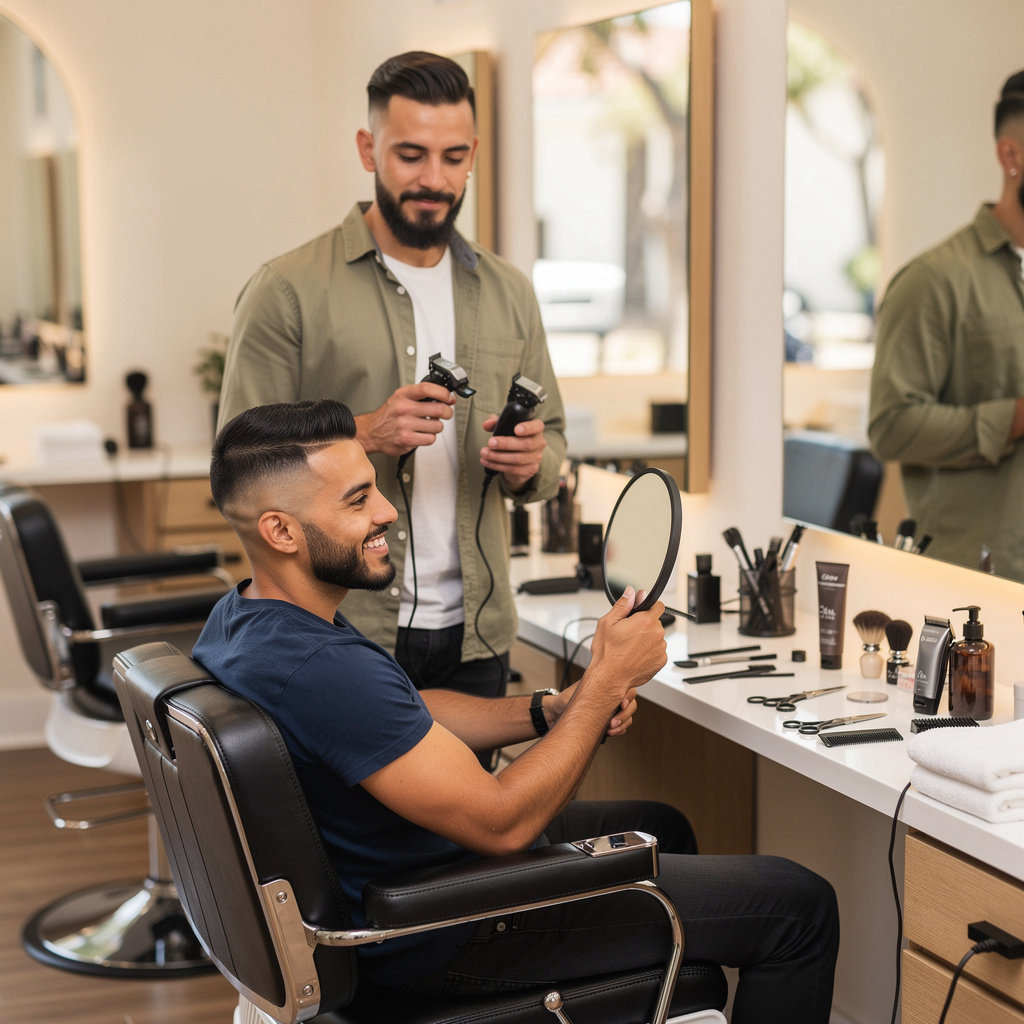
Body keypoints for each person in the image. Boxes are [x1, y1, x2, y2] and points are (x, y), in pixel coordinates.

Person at [192, 399, 840, 1024]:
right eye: (358, 500)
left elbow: (403, 713)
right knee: (800, 906)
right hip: (439, 929)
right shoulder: (323, 670)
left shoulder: (245, 620)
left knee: (658, 825)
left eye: (376, 487)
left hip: (398, 886)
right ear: (280, 530)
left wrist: (554, 709)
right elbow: (503, 825)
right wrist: (607, 677)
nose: (388, 511)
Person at [217, 51, 566, 709]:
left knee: (474, 812)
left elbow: (553, 454)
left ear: (473, 155)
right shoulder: (287, 290)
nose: (434, 178)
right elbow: (235, 468)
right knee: (360, 818)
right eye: (410, 155)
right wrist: (363, 432)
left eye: (453, 156)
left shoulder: (511, 294)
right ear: (367, 149)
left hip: (477, 635)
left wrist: (530, 462)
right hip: (339, 631)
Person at [868, 70, 1024, 578]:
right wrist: (1015, 417)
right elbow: (891, 428)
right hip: (984, 579)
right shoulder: (933, 280)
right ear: (1011, 156)